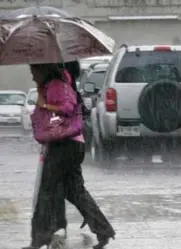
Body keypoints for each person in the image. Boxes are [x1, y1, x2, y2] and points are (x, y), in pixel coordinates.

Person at [24, 63, 116, 249]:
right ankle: (103, 230)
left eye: (34, 72)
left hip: (64, 145)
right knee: (75, 191)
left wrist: (45, 104)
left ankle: (40, 238)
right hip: (72, 144)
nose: (33, 77)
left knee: (47, 191)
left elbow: (67, 108)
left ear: (44, 70)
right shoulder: (55, 83)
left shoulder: (56, 84)